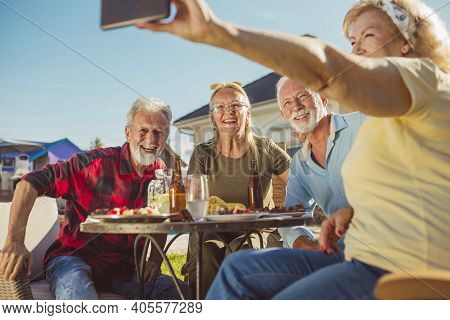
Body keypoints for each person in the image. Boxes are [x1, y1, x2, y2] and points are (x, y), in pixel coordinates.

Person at [138, 0, 450, 299]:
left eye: (367, 36)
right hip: (354, 251)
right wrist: (350, 211)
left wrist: (215, 30)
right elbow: (414, 181)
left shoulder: (424, 76)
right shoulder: (383, 122)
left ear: (407, 42)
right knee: (237, 271)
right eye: (352, 42)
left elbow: (326, 67)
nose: (354, 51)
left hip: (398, 268)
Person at [0, 98, 191, 300]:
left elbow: (159, 217)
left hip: (123, 269)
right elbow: (28, 183)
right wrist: (15, 241)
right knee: (80, 297)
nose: (150, 139)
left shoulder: (160, 171)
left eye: (158, 132)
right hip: (72, 259)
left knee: (183, 294)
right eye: (142, 130)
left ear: (166, 136)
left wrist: (153, 260)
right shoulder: (94, 163)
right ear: (128, 133)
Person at [184, 81, 291, 297]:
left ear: (248, 111)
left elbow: (299, 180)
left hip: (258, 229)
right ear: (213, 116)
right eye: (220, 107)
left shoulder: (265, 148)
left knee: (242, 252)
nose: (228, 112)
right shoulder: (203, 153)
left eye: (235, 105)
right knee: (206, 253)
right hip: (212, 230)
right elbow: (193, 199)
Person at [276, 77, 365, 250]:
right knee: (239, 263)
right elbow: (289, 218)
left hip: (392, 243)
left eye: (302, 96)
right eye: (287, 103)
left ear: (323, 98)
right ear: (284, 115)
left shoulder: (363, 124)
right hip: (339, 252)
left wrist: (357, 210)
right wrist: (301, 242)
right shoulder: (299, 165)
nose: (295, 106)